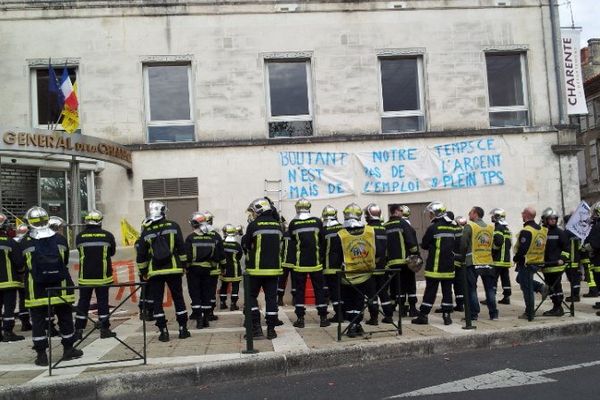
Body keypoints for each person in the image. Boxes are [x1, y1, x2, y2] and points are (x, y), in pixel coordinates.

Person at [21, 206, 82, 366]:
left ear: (29, 222)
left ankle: (42, 356)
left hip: (37, 290)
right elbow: (65, 260)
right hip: (61, 286)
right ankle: (68, 350)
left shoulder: (25, 242)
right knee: (65, 318)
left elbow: (21, 265)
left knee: (38, 322)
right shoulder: (60, 240)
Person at [136, 201, 190, 342]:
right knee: (178, 298)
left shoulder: (147, 230)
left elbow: (141, 254)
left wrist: (143, 271)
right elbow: (181, 247)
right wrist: (184, 265)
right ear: (164, 212)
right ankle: (183, 329)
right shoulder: (173, 225)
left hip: (155, 271)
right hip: (174, 269)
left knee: (157, 301)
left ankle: (163, 332)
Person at [330, 203, 382, 337]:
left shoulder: (341, 234)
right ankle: (356, 324)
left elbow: (334, 258)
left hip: (348, 275)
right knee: (360, 301)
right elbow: (380, 251)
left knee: (349, 302)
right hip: (367, 273)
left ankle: (353, 325)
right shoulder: (370, 231)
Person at [412, 201, 461, 326]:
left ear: (436, 214)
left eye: (431, 213)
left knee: (430, 291)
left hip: (435, 267)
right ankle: (447, 316)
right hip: (449, 266)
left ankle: (423, 316)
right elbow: (458, 245)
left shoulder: (433, 228)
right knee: (447, 291)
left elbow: (424, 244)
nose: (429, 215)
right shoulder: (453, 227)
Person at [242, 198, 282, 340]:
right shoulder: (278, 225)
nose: (253, 214)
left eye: (253, 211)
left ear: (259, 210)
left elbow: (246, 245)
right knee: (271, 299)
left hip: (256, 270)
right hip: (274, 270)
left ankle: (256, 329)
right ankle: (271, 330)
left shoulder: (253, 225)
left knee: (251, 297)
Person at [74, 210, 117, 339]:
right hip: (103, 276)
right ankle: (104, 330)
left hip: (85, 277)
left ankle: (79, 330)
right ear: (100, 221)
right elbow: (112, 252)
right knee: (102, 302)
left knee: (83, 303)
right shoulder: (108, 236)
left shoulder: (80, 236)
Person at [288, 199, 330, 328]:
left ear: (297, 208)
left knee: (300, 291)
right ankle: (323, 318)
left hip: (300, 264)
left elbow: (292, 243)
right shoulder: (317, 221)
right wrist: (321, 256)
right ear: (309, 207)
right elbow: (323, 241)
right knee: (319, 290)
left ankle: (300, 319)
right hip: (316, 263)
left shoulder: (293, 223)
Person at [185, 212, 223, 329]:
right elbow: (218, 255)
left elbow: (187, 256)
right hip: (207, 270)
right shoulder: (212, 237)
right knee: (207, 294)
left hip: (193, 270)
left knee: (195, 294)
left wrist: (185, 267)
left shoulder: (190, 238)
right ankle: (206, 319)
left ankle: (199, 320)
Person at [460, 206, 498, 321]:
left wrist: (462, 258)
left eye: (470, 212)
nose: (468, 214)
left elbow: (464, 244)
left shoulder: (469, 226)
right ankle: (494, 314)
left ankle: (473, 314)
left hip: (473, 262)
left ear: (475, 214)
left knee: (471, 289)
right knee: (490, 289)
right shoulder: (491, 227)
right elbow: (495, 244)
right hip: (488, 262)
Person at [513, 207, 549, 320]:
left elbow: (523, 248)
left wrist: (516, 258)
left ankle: (529, 313)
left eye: (523, 213)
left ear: (526, 215)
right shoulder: (542, 230)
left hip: (527, 262)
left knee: (527, 289)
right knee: (520, 279)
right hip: (538, 261)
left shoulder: (527, 230)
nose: (521, 214)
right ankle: (541, 287)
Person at [385, 204, 420, 317]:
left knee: (398, 286)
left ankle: (402, 310)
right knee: (409, 285)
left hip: (392, 263)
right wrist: (416, 254)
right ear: (395, 211)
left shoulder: (385, 226)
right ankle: (412, 308)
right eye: (400, 210)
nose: (402, 212)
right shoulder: (403, 223)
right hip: (405, 262)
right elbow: (410, 241)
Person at [364, 203, 393, 325]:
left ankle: (374, 318)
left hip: (371, 267)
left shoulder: (367, 230)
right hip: (383, 267)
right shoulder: (384, 229)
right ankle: (389, 316)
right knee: (383, 292)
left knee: (371, 293)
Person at [0, 213, 25, 342]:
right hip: (8, 282)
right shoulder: (11, 242)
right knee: (9, 308)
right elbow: (19, 262)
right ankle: (8, 332)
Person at [540, 208, 568, 316]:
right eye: (550, 219)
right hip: (545, 266)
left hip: (556, 266)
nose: (553, 221)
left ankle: (558, 307)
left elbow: (566, 248)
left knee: (556, 287)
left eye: (554, 219)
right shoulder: (542, 232)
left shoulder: (560, 233)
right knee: (550, 288)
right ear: (545, 220)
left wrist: (562, 259)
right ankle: (555, 307)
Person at [321, 205, 343, 322]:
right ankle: (345, 313)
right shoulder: (343, 228)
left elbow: (320, 248)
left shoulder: (323, 230)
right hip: (344, 267)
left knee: (332, 293)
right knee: (342, 291)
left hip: (328, 267)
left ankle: (337, 315)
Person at [490, 208, 512, 305]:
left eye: (493, 216)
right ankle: (506, 297)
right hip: (506, 259)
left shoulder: (498, 228)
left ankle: (491, 298)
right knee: (505, 279)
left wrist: (493, 251)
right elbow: (509, 244)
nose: (492, 217)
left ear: (497, 217)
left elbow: (498, 242)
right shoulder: (506, 229)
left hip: (498, 259)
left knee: (493, 279)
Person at [218, 224, 243, 311]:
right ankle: (233, 304)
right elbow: (239, 256)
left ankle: (222, 303)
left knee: (224, 286)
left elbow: (219, 256)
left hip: (224, 269)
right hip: (235, 269)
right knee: (235, 286)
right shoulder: (237, 245)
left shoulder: (222, 244)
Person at [13, 224, 32, 331]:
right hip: (25, 272)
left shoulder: (13, 241)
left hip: (14, 274)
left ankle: (24, 321)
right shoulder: (28, 241)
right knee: (24, 298)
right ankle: (25, 322)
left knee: (20, 299)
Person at [584, 201, 600, 316]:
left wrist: (587, 246)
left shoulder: (598, 227)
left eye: (595, 212)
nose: (593, 215)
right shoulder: (596, 226)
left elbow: (594, 243)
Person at [563, 213, 582, 303]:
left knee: (572, 278)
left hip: (570, 259)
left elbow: (563, 246)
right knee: (576, 278)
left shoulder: (566, 232)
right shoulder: (577, 231)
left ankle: (574, 296)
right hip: (577, 258)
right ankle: (576, 294)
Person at [278, 217, 296, 307]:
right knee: (295, 282)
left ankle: (280, 299)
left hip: (284, 262)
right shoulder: (296, 235)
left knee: (281, 281)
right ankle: (295, 300)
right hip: (294, 263)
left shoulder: (284, 235)